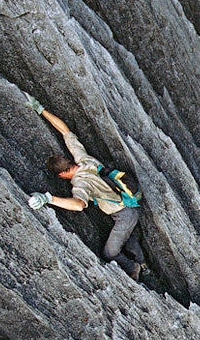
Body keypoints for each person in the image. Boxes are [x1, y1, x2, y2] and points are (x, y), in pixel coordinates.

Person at [25, 94, 145, 279]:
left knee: (110, 253)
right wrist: (41, 109)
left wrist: (48, 199)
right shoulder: (84, 159)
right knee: (125, 236)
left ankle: (134, 268)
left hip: (124, 213)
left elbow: (79, 205)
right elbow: (65, 131)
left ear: (62, 174)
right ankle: (142, 261)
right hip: (125, 207)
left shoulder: (81, 184)